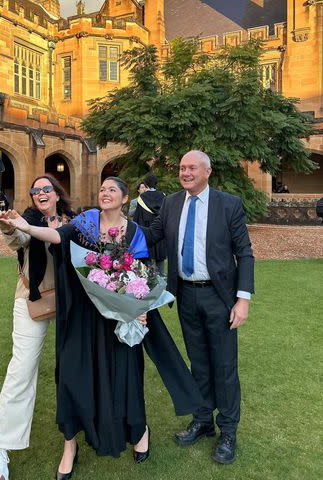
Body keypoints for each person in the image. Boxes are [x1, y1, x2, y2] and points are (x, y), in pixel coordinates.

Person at [3, 177, 203, 478]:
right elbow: (58, 237)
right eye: (101, 189)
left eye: (112, 190)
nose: (104, 193)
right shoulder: (86, 222)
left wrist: (139, 310)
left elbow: (142, 277)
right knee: (73, 374)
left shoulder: (134, 232)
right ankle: (70, 444)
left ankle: (139, 431)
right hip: (84, 314)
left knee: (125, 374)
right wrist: (27, 227)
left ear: (125, 198)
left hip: (120, 318)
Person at [142, 151, 254, 465]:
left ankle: (228, 431)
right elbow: (152, 237)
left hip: (219, 297)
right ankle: (203, 420)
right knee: (198, 362)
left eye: (192, 167)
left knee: (224, 365)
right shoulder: (171, 203)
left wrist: (242, 299)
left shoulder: (228, 204)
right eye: (182, 168)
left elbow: (244, 253)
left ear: (207, 171)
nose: (185, 172)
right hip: (186, 296)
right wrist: (117, 227)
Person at [0, 174, 73, 480]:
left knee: (73, 368)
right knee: (21, 370)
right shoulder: (27, 219)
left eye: (47, 188)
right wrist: (7, 223)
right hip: (32, 298)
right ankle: (0, 448)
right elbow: (18, 239)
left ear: (58, 194)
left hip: (69, 302)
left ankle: (74, 437)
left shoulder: (72, 220)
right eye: (36, 191)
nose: (41, 193)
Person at [133, 175, 167, 275]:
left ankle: (151, 283)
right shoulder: (163, 196)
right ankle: (162, 284)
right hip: (161, 234)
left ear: (146, 184)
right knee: (160, 262)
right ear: (156, 183)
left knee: (148, 263)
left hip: (147, 234)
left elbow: (137, 219)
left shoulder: (142, 198)